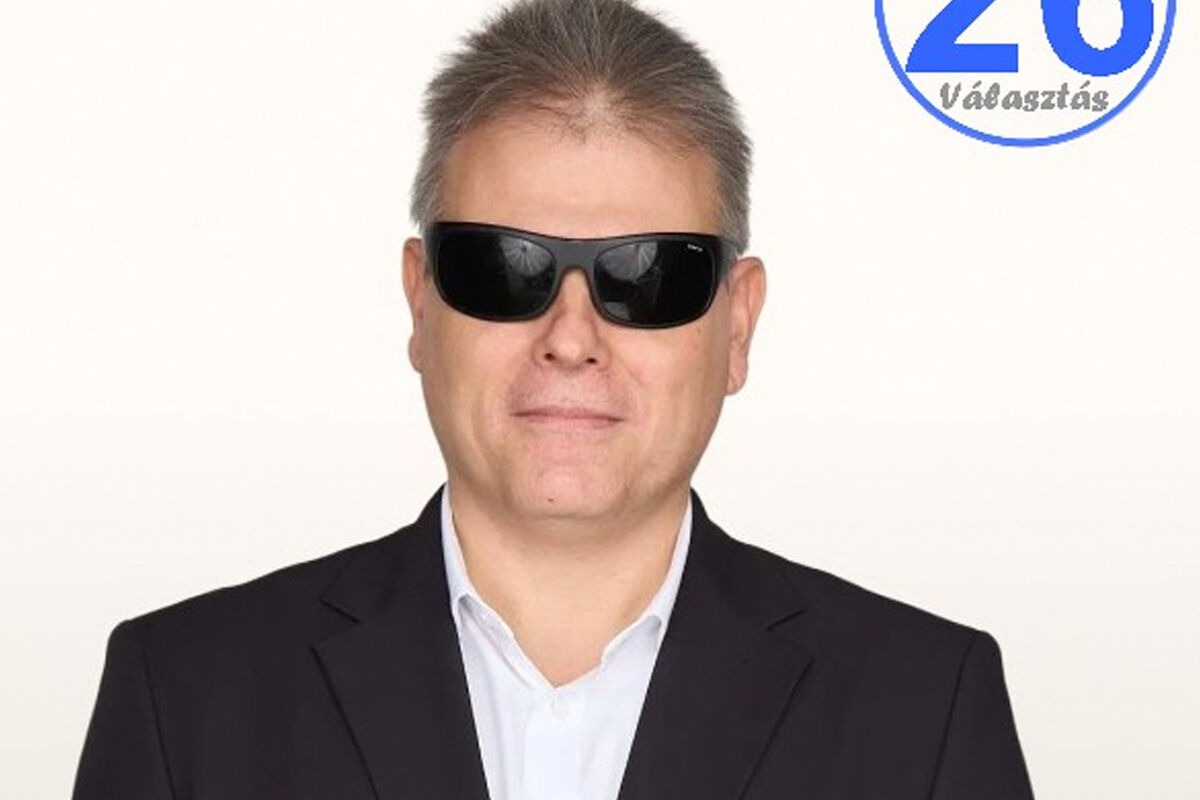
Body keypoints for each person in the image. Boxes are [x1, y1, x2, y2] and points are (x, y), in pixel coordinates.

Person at [71, 1, 1035, 798]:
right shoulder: (185, 697)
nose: (570, 339)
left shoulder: (927, 710)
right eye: (503, 267)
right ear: (420, 302)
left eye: (648, 276)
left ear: (737, 325)